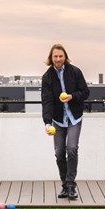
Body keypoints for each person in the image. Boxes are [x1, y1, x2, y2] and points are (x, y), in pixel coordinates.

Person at [40, 43, 90, 200]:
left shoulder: (75, 71)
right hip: (58, 120)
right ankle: (64, 184)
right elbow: (46, 100)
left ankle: (71, 185)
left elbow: (85, 92)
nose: (58, 59)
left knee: (72, 148)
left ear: (65, 57)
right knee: (59, 152)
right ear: (51, 58)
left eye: (61, 56)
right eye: (55, 56)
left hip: (74, 117)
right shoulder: (47, 77)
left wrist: (72, 96)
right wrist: (47, 123)